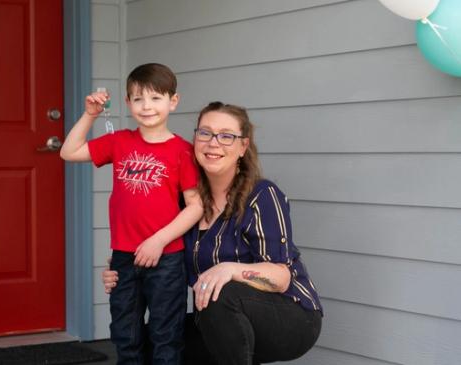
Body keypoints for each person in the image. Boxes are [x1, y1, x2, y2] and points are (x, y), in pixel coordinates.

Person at [103, 101, 323, 365]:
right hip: (215, 318)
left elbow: (281, 278)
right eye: (205, 133)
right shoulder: (185, 204)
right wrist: (122, 269)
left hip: (289, 317)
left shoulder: (262, 195)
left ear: (243, 146)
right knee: (152, 342)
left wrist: (230, 269)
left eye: (226, 136)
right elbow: (159, 255)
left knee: (222, 294)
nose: (213, 143)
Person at [61, 63, 203, 365]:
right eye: (138, 99)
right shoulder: (120, 142)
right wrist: (90, 114)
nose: (146, 106)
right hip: (124, 258)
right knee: (126, 336)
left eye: (155, 98)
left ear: (173, 101)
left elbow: (196, 205)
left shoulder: (182, 151)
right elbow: (68, 151)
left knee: (166, 336)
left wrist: (158, 241)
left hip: (166, 258)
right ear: (127, 103)